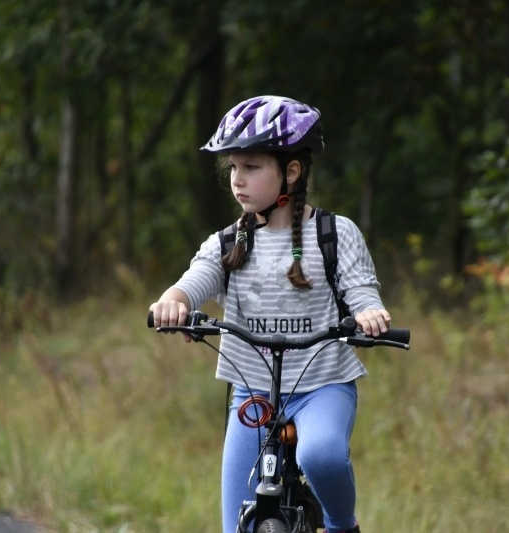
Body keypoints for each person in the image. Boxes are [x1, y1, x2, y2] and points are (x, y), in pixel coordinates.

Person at [149, 95, 390, 533]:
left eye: (252, 167)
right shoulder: (227, 242)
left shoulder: (334, 234)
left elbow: (361, 291)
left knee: (322, 455)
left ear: (291, 172)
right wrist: (175, 300)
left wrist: (369, 313)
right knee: (236, 521)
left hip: (322, 387)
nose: (238, 180)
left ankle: (340, 524)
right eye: (233, 168)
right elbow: (196, 279)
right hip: (253, 395)